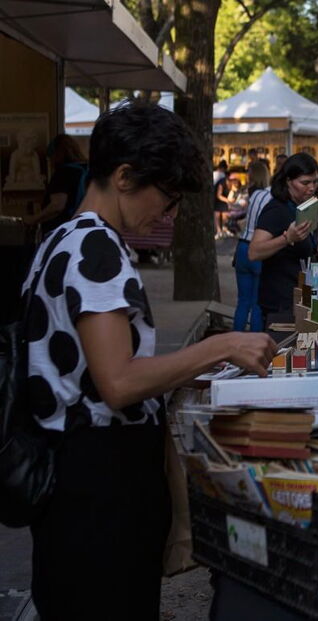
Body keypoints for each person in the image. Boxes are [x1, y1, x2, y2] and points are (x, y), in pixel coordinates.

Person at [24, 102, 276, 621]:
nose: (170, 213)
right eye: (167, 197)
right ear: (124, 177)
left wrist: (192, 367)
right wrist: (222, 346)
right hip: (98, 481)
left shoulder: (61, 240)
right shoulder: (97, 249)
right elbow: (118, 382)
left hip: (76, 476)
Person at [248, 153, 318, 326]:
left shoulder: (298, 208)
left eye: (315, 182)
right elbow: (254, 252)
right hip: (280, 304)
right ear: (288, 181)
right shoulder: (276, 210)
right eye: (305, 183)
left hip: (297, 298)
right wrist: (287, 238)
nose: (312, 188)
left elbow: (307, 245)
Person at [23, 134, 88, 238]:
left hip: (62, 233)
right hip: (83, 229)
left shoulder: (63, 172)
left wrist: (33, 219)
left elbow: (57, 206)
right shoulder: (86, 170)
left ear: (57, 154)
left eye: (51, 157)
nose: (50, 162)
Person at [234, 161, 273, 331]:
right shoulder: (272, 198)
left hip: (242, 247)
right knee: (257, 303)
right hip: (259, 249)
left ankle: (234, 343)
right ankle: (254, 344)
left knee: (243, 302)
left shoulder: (255, 195)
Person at [213, 160, 233, 239]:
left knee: (221, 215)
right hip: (219, 196)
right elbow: (219, 194)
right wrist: (228, 200)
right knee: (218, 214)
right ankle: (220, 230)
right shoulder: (222, 177)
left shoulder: (215, 174)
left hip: (219, 196)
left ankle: (221, 230)